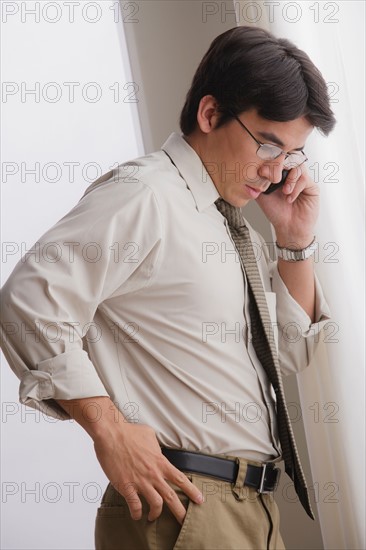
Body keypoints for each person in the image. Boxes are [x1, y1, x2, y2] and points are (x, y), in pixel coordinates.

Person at [0, 25, 336, 550]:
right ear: (210, 114)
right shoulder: (146, 195)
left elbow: (287, 353)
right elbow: (28, 301)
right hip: (183, 509)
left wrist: (294, 242)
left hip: (247, 512)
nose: (275, 172)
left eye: (291, 155)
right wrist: (108, 430)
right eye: (268, 144)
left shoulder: (226, 222)